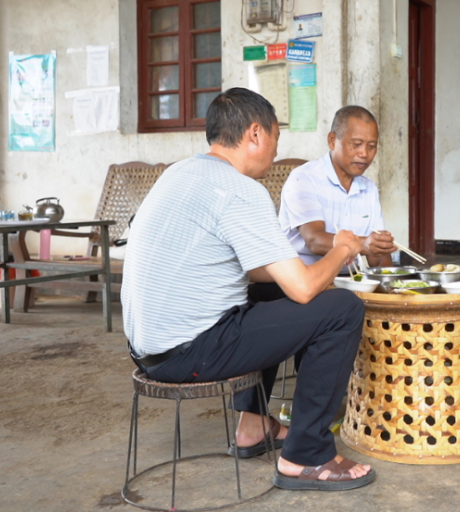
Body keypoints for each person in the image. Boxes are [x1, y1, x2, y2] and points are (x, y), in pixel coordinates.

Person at [122, 88, 376, 492]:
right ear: (255, 134)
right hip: (190, 351)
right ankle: (305, 456)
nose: (276, 151)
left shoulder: (178, 172)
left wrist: (299, 272)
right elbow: (307, 289)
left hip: (149, 349)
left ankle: (253, 427)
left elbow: (263, 274)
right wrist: (343, 248)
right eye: (276, 138)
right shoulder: (240, 189)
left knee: (269, 293)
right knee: (341, 308)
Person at [279, 105, 396, 270]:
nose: (364, 153)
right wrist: (364, 244)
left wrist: (389, 282)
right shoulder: (304, 178)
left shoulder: (368, 188)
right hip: (304, 281)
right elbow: (314, 241)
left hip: (351, 279)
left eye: (371, 146)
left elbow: (377, 255)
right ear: (332, 140)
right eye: (356, 144)